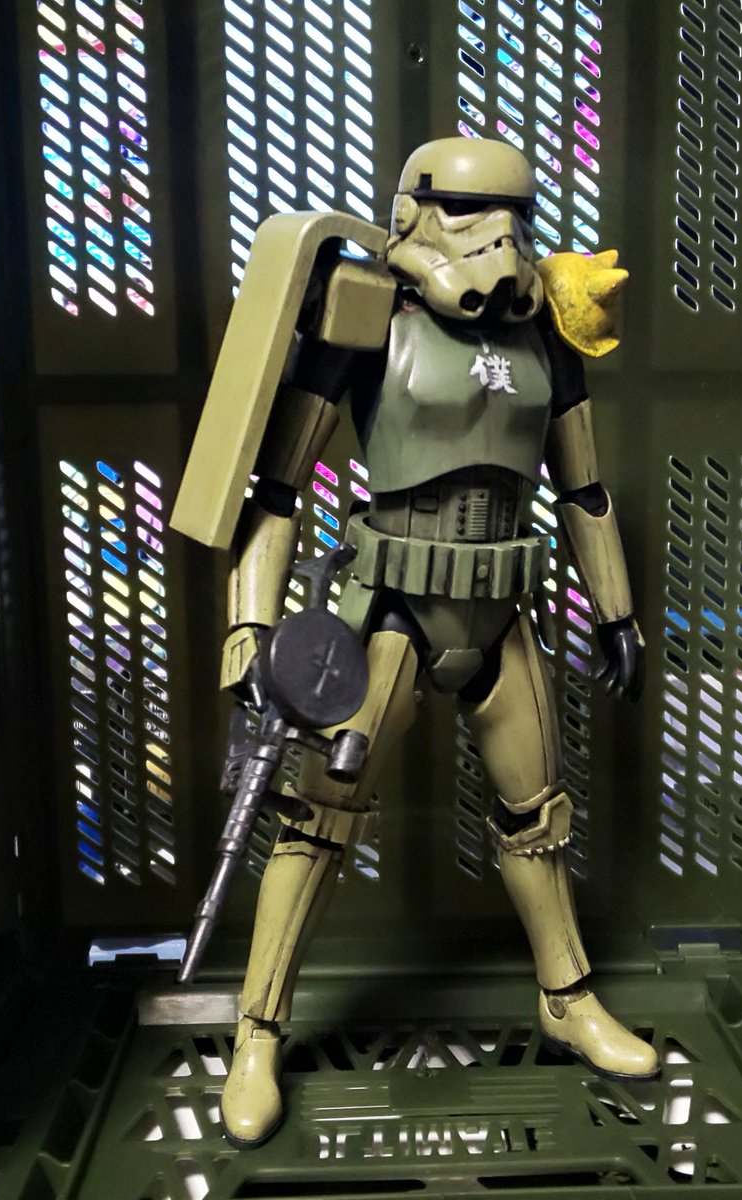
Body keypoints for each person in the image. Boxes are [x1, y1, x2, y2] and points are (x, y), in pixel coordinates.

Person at [172, 136, 660, 1148]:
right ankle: (259, 1032)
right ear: (414, 213)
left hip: (502, 615)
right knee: (319, 818)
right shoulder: (364, 317)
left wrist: (615, 610)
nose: (500, 240)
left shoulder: (547, 328)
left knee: (538, 820)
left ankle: (566, 998)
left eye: (517, 216)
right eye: (473, 213)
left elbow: (583, 488)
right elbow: (276, 488)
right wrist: (249, 631)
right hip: (389, 606)